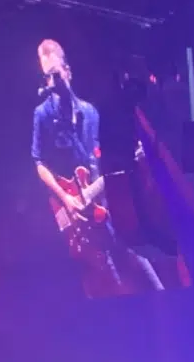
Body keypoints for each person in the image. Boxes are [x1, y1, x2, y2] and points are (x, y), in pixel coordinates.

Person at [31, 39, 163, 296]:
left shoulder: (90, 113)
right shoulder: (42, 114)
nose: (52, 82)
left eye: (56, 74)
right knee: (108, 280)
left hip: (102, 204)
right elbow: (39, 163)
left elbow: (99, 159)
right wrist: (66, 199)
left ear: (67, 71)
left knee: (142, 265)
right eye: (47, 77)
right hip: (76, 213)